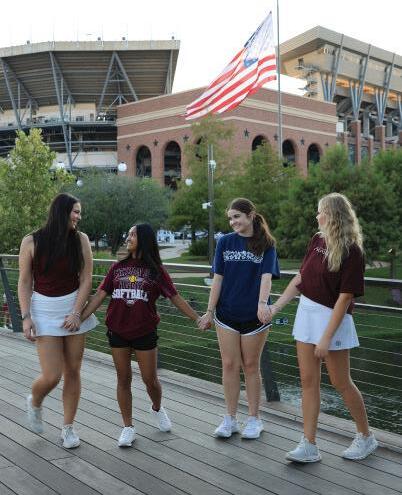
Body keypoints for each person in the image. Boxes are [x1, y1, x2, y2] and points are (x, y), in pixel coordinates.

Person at [269, 192, 378, 462]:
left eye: (321, 212)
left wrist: (326, 338)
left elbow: (345, 298)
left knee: (341, 382)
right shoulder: (317, 240)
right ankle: (309, 444)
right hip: (307, 315)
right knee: (308, 382)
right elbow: (300, 278)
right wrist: (275, 307)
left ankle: (366, 437)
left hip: (333, 321)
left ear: (333, 216)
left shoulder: (352, 252)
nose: (317, 216)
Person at [80, 223, 201, 447]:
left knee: (150, 380)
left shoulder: (156, 271)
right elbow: (99, 296)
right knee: (123, 378)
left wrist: (197, 318)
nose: (128, 238)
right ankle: (128, 427)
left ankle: (157, 408)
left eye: (133, 235)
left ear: (144, 239)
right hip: (117, 330)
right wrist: (79, 317)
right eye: (128, 234)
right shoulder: (117, 268)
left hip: (144, 331)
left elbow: (175, 297)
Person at [18, 193, 97, 448]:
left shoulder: (81, 239)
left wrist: (76, 313)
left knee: (73, 370)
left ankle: (68, 428)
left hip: (73, 308)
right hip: (43, 311)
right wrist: (26, 317)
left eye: (79, 212)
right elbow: (24, 282)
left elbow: (86, 278)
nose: (79, 217)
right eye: (76, 211)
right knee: (52, 375)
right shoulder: (31, 241)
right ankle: (35, 401)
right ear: (61, 212)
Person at [199, 198, 280, 439]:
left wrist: (262, 304)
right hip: (226, 314)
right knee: (229, 365)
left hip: (254, 316)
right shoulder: (225, 242)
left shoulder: (267, 244)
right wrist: (209, 311)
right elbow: (218, 279)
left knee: (251, 366)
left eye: (237, 216)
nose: (233, 222)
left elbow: (266, 277)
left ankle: (254, 419)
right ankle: (230, 419)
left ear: (251, 215)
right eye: (230, 218)